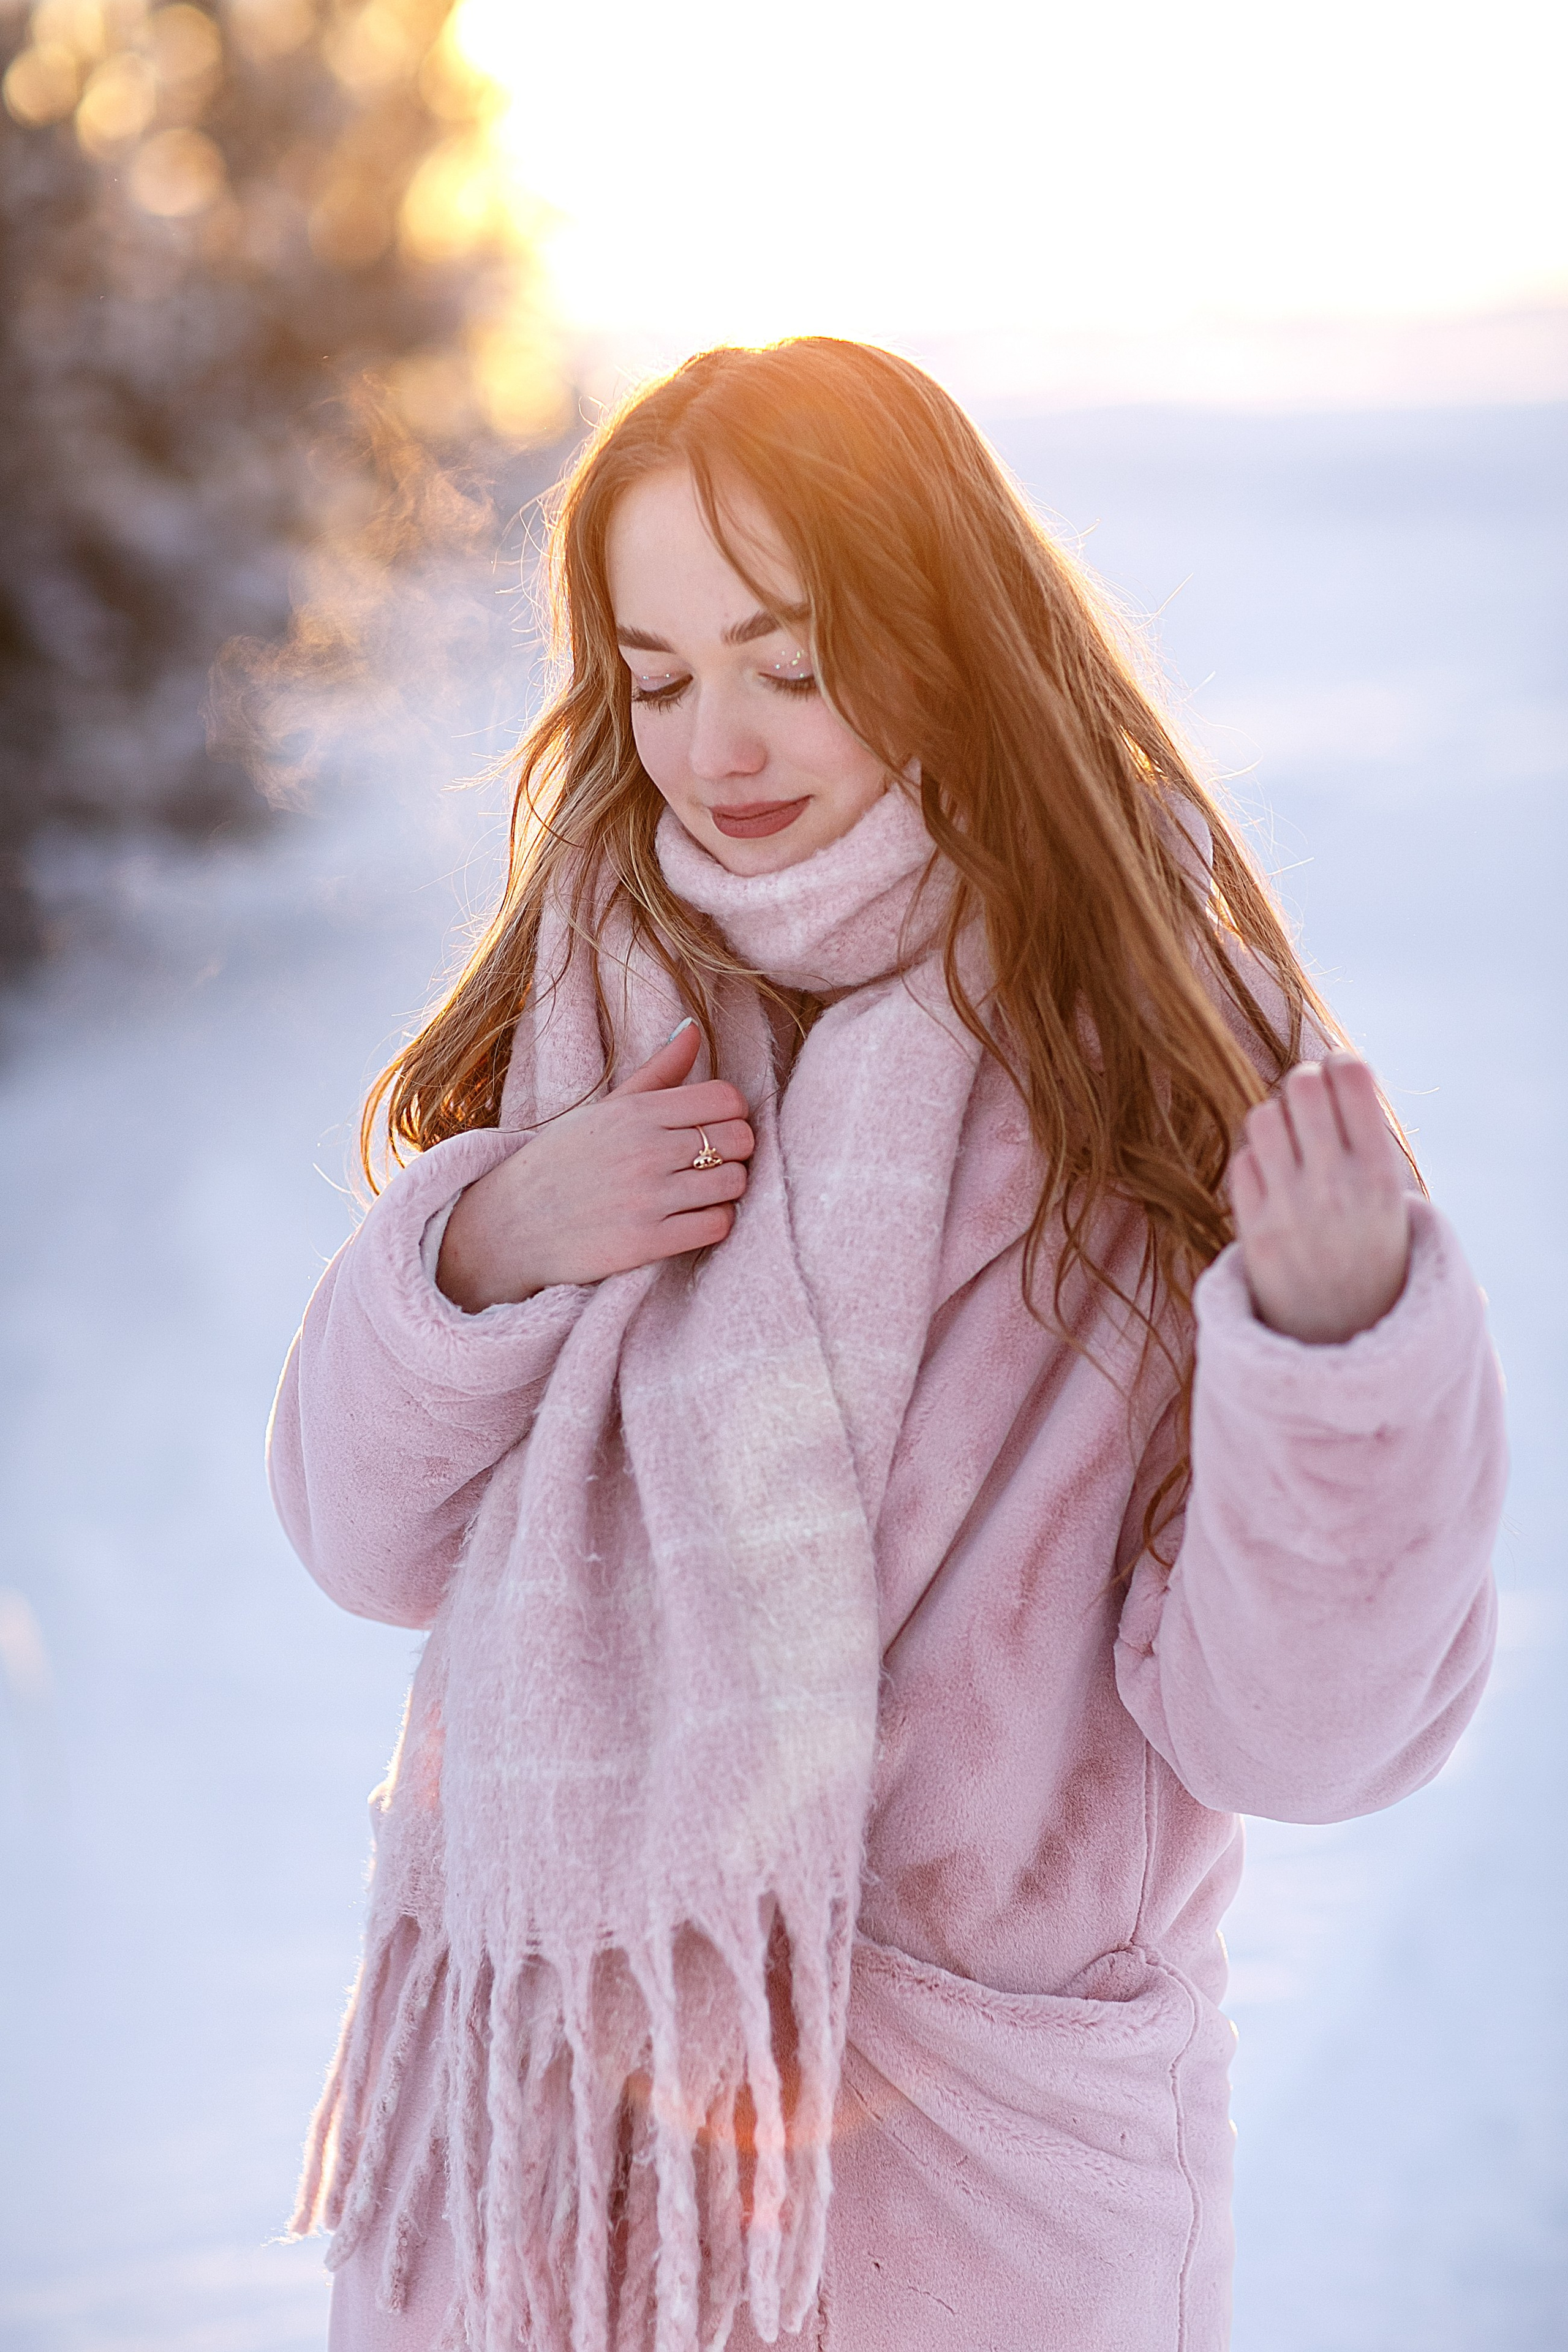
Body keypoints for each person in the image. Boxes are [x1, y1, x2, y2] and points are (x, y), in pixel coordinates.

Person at [268, 339, 1506, 2352]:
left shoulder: (1159, 1066)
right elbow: (355, 1536)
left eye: (790, 655)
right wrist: (491, 1244)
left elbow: (1309, 1739)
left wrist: (1334, 1354)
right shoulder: (596, 1008)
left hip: (967, 2208)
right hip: (557, 2179)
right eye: (658, 677)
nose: (718, 744)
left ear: (944, 631)